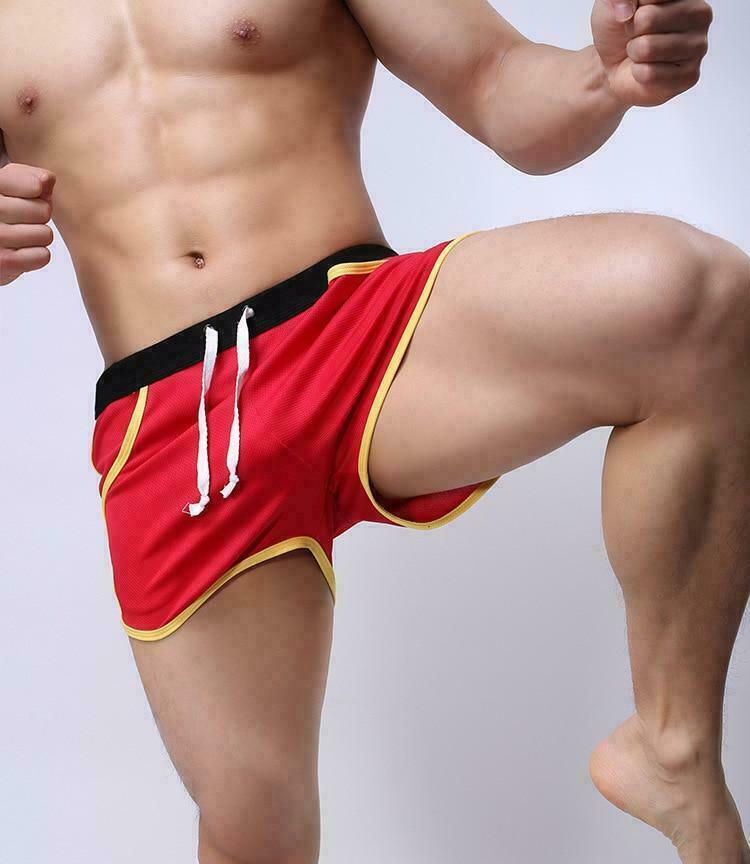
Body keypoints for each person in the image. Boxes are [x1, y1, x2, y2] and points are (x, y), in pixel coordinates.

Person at [1, 0, 746, 861]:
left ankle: (671, 746)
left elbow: (496, 80)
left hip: (357, 334)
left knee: (693, 298)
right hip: (172, 423)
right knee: (258, 839)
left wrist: (603, 77)